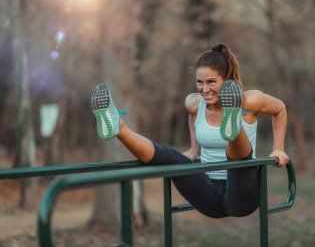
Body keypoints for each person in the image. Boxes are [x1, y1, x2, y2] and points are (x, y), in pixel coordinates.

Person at [90, 43, 289, 218]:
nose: (204, 89)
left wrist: (278, 148)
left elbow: (279, 109)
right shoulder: (194, 103)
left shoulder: (251, 100)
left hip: (243, 195)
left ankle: (234, 126)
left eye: (211, 82)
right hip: (209, 194)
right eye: (199, 82)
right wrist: (194, 150)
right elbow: (192, 119)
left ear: (227, 79)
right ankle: (119, 127)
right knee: (174, 159)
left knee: (239, 158)